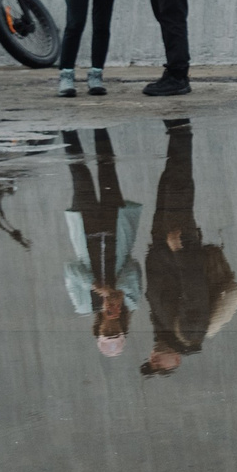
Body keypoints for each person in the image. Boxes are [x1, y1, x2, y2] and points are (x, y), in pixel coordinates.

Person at [143, 119, 237, 373]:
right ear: (176, 360)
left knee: (168, 183)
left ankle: (178, 134)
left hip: (163, 245)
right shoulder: (191, 332)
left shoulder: (165, 331)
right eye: (159, 366)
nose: (153, 359)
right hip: (178, 246)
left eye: (150, 362)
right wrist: (178, 251)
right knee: (178, 186)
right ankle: (181, 131)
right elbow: (194, 287)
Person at [63, 128, 142, 357]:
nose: (111, 327)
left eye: (107, 331)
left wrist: (94, 285)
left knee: (80, 175)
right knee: (107, 170)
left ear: (97, 329)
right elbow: (134, 267)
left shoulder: (84, 305)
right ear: (124, 329)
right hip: (114, 226)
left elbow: (69, 270)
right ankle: (100, 126)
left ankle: (67, 128)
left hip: (86, 231)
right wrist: (118, 290)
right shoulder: (131, 302)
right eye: (115, 330)